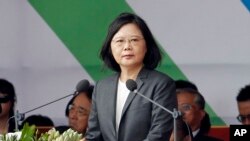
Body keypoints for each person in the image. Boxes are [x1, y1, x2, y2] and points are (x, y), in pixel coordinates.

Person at [85, 12, 177, 141]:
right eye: (120, 41)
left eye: (134, 40)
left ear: (147, 46)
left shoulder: (161, 84)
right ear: (110, 48)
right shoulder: (101, 87)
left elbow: (158, 135)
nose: (127, 47)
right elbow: (93, 136)